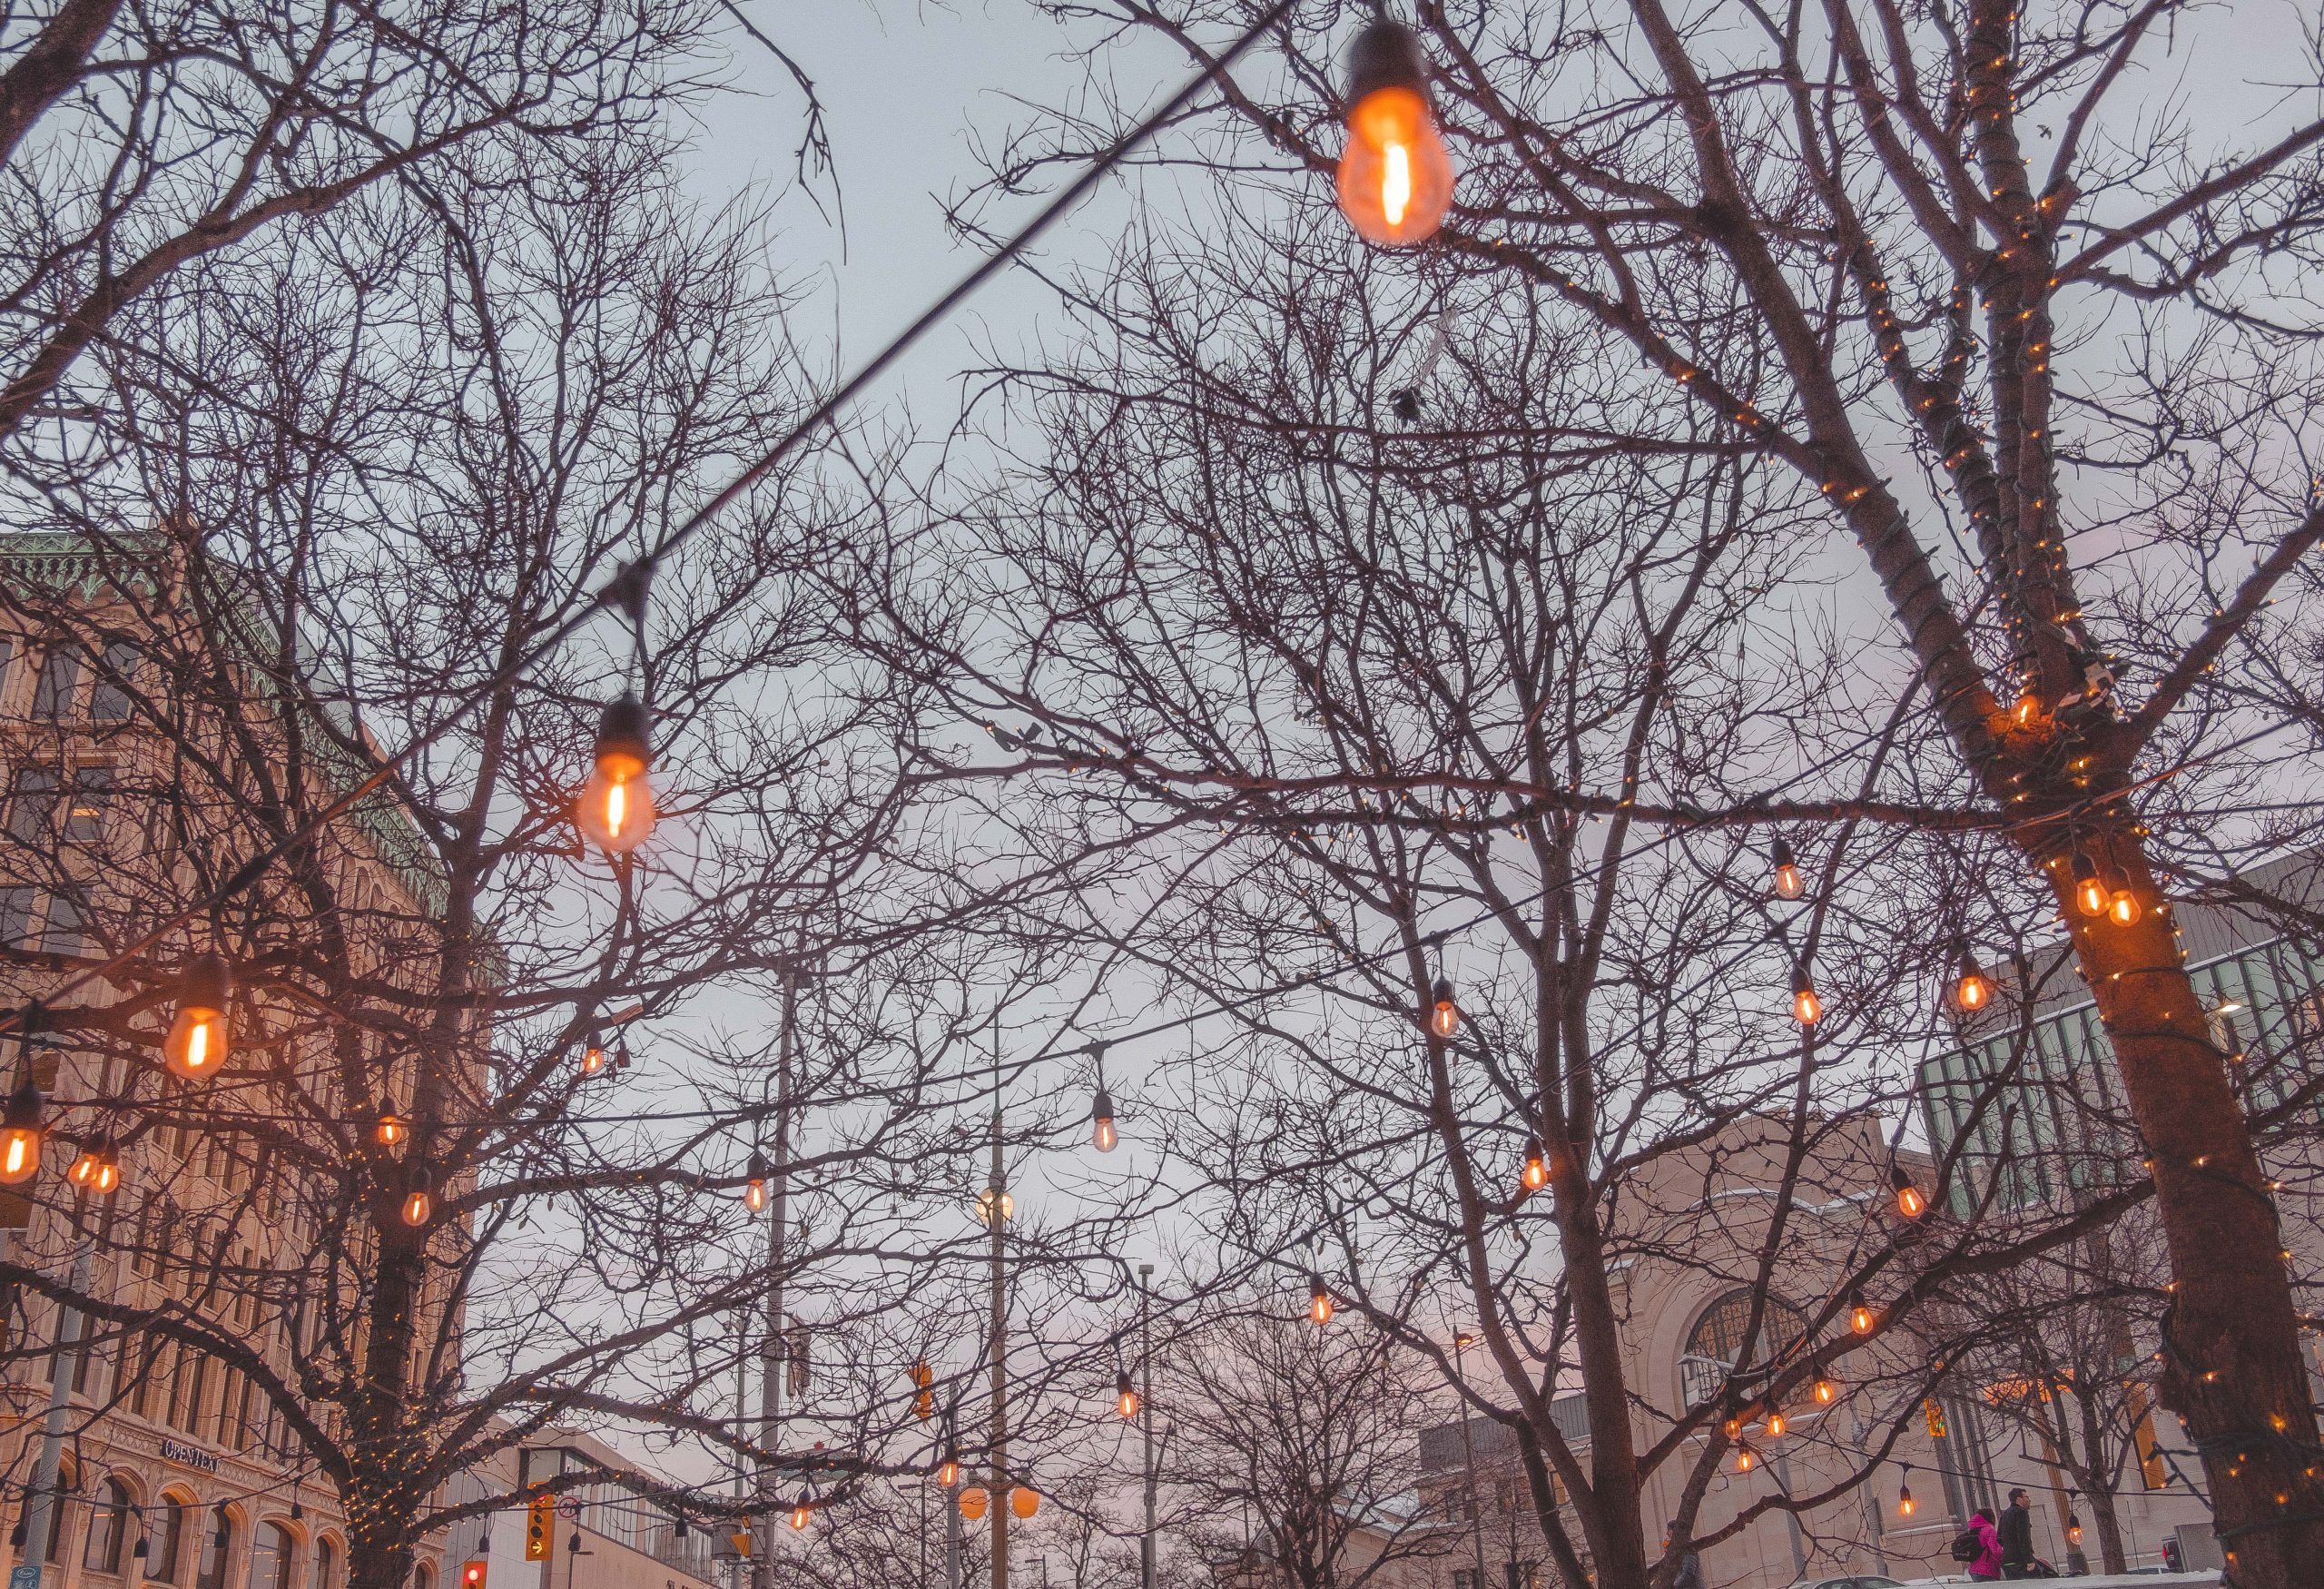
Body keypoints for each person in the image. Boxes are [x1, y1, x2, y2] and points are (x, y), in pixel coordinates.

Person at [1998, 1488, 2036, 1579]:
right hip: (2020, 1560)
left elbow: (1998, 1537)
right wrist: (2029, 1560)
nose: (2029, 1500)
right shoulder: (2021, 1513)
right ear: (2019, 1499)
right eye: (2026, 1497)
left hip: (2007, 1560)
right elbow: (2023, 1537)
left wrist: (2008, 1547)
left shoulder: (2005, 1514)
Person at [1965, 1506, 2004, 1582]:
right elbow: (1996, 1551)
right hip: (1987, 1569)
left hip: (1973, 1569)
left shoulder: (1973, 1530)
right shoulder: (1989, 1529)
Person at [1665, 1525, 1705, 1589]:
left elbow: (1688, 1573)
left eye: (1669, 1530)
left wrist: (1674, 1587)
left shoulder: (1688, 1548)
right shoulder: (1680, 1549)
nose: (1667, 1533)